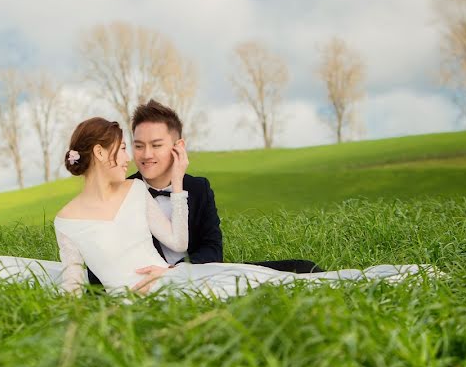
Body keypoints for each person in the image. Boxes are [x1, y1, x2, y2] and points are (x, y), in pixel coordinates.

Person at [0, 117, 435, 299]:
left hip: (169, 280)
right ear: (99, 153)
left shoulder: (138, 193)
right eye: (123, 151)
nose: (133, 160)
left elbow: (188, 246)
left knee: (262, 282)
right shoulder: (65, 219)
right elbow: (72, 283)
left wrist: (165, 265)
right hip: (121, 298)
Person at [87, 99, 321, 289]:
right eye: (139, 146)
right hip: (145, 286)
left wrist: (174, 272)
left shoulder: (198, 188)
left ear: (178, 146)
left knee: (302, 268)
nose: (146, 154)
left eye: (156, 145)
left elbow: (212, 249)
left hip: (199, 274)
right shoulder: (120, 193)